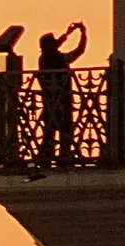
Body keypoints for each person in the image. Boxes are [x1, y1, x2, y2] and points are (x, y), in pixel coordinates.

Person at [36, 22, 88, 166]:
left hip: (49, 101)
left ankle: (46, 156)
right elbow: (79, 51)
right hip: (62, 100)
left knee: (49, 130)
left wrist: (67, 34)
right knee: (64, 129)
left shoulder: (43, 58)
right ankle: (64, 156)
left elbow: (55, 46)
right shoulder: (59, 58)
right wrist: (83, 34)